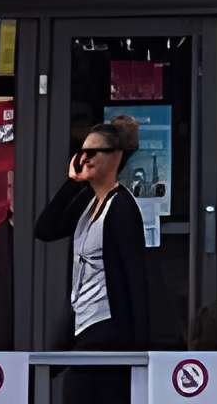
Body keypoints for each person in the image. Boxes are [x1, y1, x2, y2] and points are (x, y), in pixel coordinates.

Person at [35, 118, 148, 404]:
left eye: (93, 152)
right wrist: (72, 183)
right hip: (81, 327)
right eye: (82, 151)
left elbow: (134, 276)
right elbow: (45, 229)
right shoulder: (87, 203)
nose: (85, 157)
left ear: (116, 157)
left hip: (109, 330)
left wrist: (138, 351)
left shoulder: (121, 207)